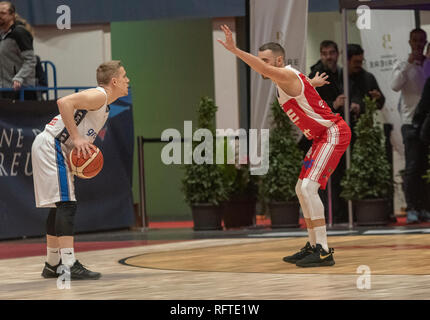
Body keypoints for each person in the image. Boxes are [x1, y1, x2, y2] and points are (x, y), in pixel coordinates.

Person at [218, 25, 351, 267]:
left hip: (333, 133)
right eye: (261, 60)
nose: (262, 65)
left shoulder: (285, 74)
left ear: (279, 60)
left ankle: (322, 250)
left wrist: (235, 50)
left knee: (309, 188)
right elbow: (300, 87)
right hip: (321, 137)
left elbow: (274, 74)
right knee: (302, 188)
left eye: (266, 60)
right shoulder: (288, 79)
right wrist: (312, 82)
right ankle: (313, 245)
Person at [32, 60, 130, 280]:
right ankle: (69, 263)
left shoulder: (105, 104)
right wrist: (76, 138)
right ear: (114, 81)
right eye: (124, 76)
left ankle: (53, 263)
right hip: (52, 144)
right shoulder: (100, 95)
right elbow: (64, 102)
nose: (127, 80)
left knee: (60, 205)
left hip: (51, 144)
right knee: (66, 204)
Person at [391, 28, 430, 224]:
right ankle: (412, 207)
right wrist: (408, 64)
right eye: (415, 40)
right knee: (413, 167)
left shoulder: (428, 65)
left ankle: (424, 206)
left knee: (424, 167)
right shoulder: (401, 65)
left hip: (428, 123)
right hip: (410, 123)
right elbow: (395, 86)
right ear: (409, 42)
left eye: (422, 41)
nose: (418, 44)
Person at [307, 40, 348, 224]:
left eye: (331, 53)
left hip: (339, 130)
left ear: (337, 53)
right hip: (323, 133)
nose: (328, 57)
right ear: (320, 54)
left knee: (338, 174)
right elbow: (311, 105)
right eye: (325, 53)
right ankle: (328, 214)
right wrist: (334, 105)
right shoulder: (316, 75)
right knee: (324, 177)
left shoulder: (340, 73)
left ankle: (339, 213)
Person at [0, 1, 37, 100]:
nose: (0, 16)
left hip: (22, 89)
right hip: (5, 88)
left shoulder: (20, 33)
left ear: (12, 15)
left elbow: (31, 60)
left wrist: (19, 77)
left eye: (3, 13)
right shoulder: (2, 35)